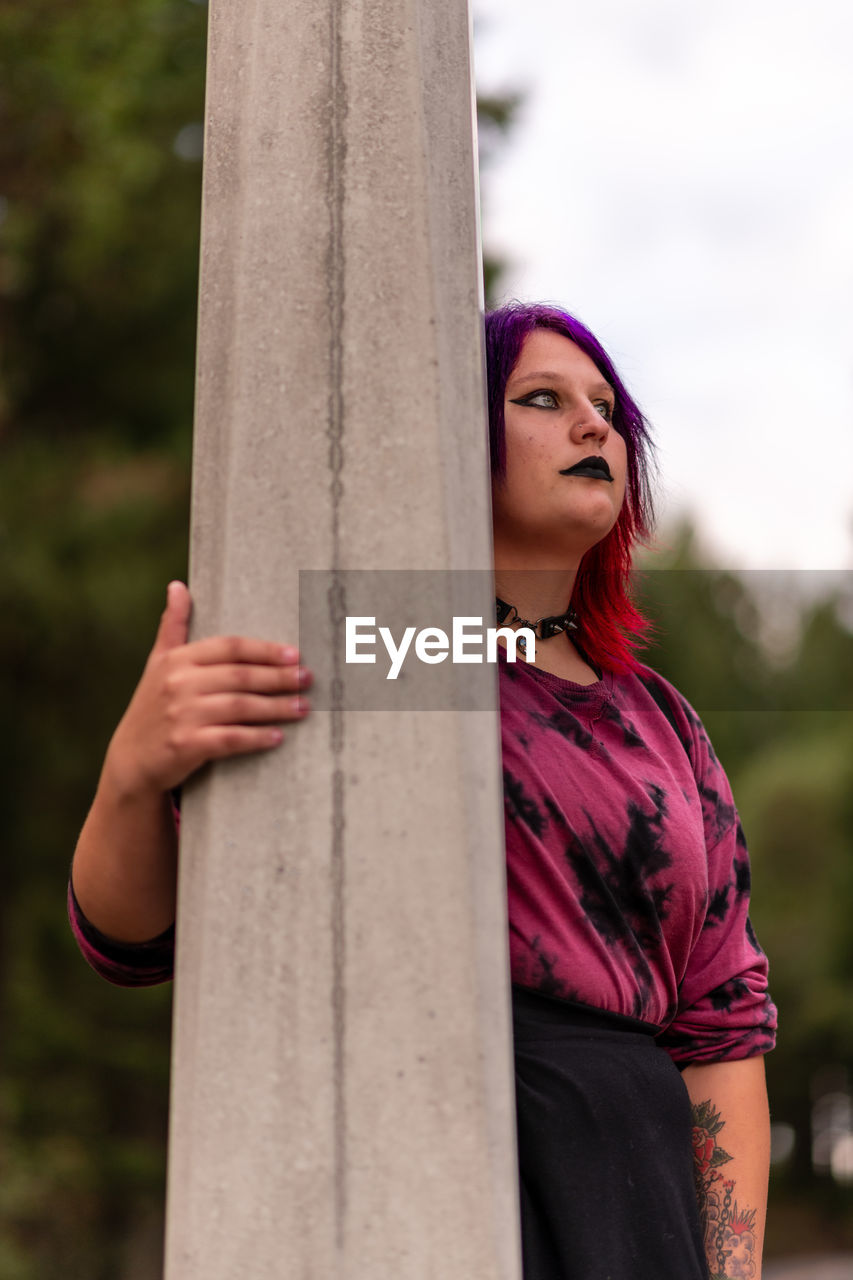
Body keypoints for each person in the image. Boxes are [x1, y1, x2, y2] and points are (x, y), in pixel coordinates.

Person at [70, 301, 776, 1279]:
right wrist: (132, 771)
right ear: (453, 429)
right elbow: (134, 936)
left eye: (607, 409)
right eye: (543, 399)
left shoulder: (664, 721)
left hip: (632, 1187)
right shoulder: (373, 652)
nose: (592, 426)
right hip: (410, 1140)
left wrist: (728, 1270)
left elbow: (722, 1026)